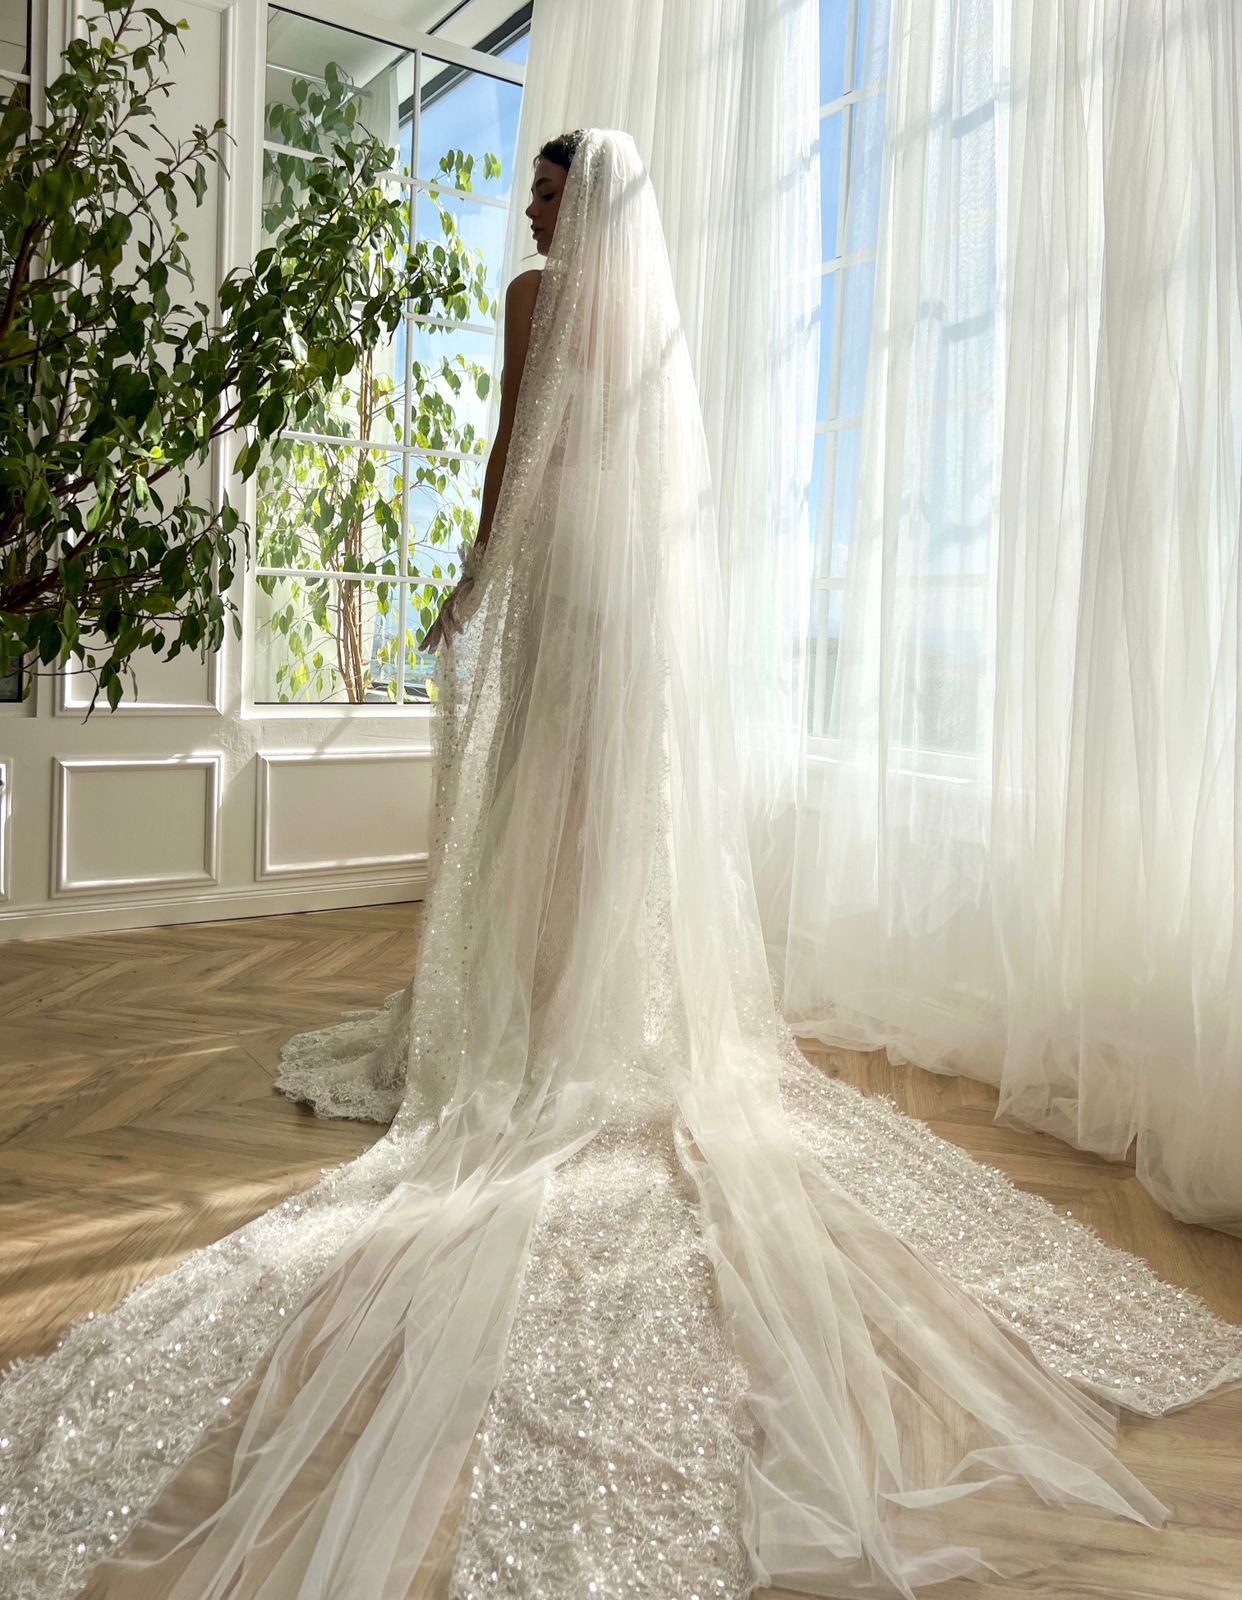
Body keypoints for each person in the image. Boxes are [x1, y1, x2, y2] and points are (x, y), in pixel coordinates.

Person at [3, 127, 1242, 1600]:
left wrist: (473, 583)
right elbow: (662, 486)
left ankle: (527, 1023)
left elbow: (509, 455)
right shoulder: (645, 307)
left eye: (541, 187)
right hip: (628, 586)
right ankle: (592, 1008)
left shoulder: (539, 298)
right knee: (597, 811)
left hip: (559, 562)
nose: (530, 206)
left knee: (541, 798)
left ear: (572, 203)